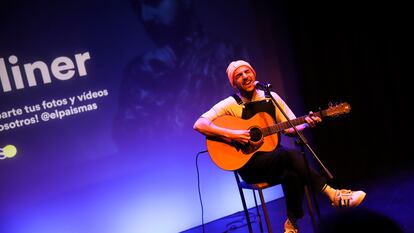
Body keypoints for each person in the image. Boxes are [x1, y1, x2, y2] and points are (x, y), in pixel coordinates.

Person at [193, 60, 366, 233]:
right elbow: (199, 124)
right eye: (239, 75)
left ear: (254, 74)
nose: (245, 77)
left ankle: (291, 223)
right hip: (250, 166)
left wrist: (306, 123)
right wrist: (232, 134)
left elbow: (290, 127)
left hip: (275, 160)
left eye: (247, 72)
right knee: (289, 156)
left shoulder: (271, 97)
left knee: (292, 171)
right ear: (234, 83)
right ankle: (333, 194)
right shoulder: (230, 104)